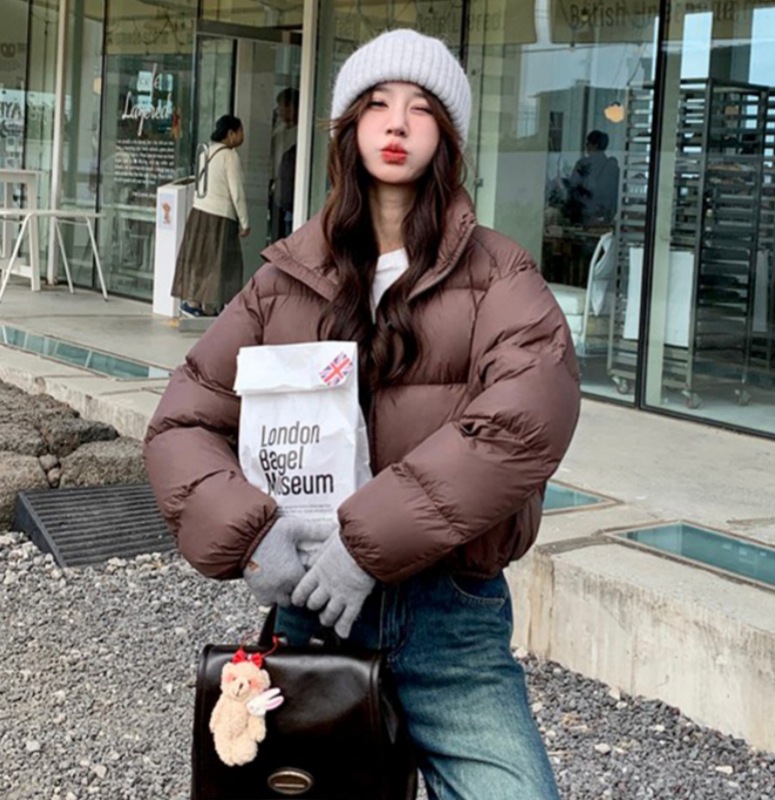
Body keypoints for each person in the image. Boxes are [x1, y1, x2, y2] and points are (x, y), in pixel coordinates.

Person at [145, 29, 580, 800]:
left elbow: (524, 421)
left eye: (422, 107)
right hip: (313, 610)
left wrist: (368, 541)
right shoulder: (283, 279)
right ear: (348, 127)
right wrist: (251, 535)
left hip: (450, 620)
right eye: (377, 104)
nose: (398, 122)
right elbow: (183, 423)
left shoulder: (499, 273)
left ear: (447, 135)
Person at [171, 114, 250, 317]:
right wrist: (244, 221)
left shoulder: (204, 152)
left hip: (199, 213)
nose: (243, 136)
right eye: (240, 131)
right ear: (231, 133)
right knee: (220, 262)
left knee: (200, 260)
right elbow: (237, 192)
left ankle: (194, 303)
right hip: (220, 216)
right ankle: (212, 306)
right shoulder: (230, 156)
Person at [564, 129, 620, 227]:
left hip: (584, 213)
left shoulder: (583, 163)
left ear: (595, 145)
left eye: (588, 143)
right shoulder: (612, 166)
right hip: (605, 216)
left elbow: (573, 186)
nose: (586, 147)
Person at [268, 88, 299, 241]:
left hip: (293, 191)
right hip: (277, 190)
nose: (280, 110)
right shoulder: (278, 131)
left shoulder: (302, 133)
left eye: (283, 106)